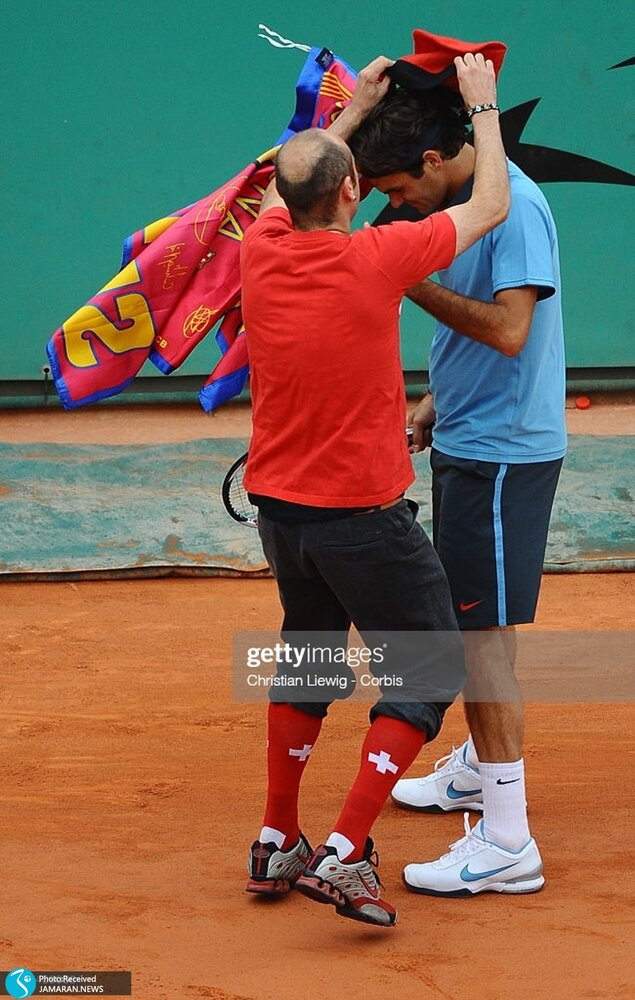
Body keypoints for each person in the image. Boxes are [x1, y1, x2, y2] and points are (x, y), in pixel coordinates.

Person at [240, 53, 510, 926]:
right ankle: (347, 852)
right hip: (362, 518)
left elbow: (296, 181)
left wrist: (350, 111)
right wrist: (483, 108)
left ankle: (279, 835)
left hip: (280, 514)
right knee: (426, 669)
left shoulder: (260, 247)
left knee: (309, 659)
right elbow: (492, 202)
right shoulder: (380, 256)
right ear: (356, 190)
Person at [348, 48, 566, 898]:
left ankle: (508, 841)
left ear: (435, 161)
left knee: (479, 647)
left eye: (400, 191)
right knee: (488, 629)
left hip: (504, 458)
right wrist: (438, 401)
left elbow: (510, 331)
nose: (397, 207)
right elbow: (498, 341)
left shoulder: (515, 212)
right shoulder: (482, 200)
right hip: (473, 439)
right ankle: (479, 769)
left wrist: (404, 276)